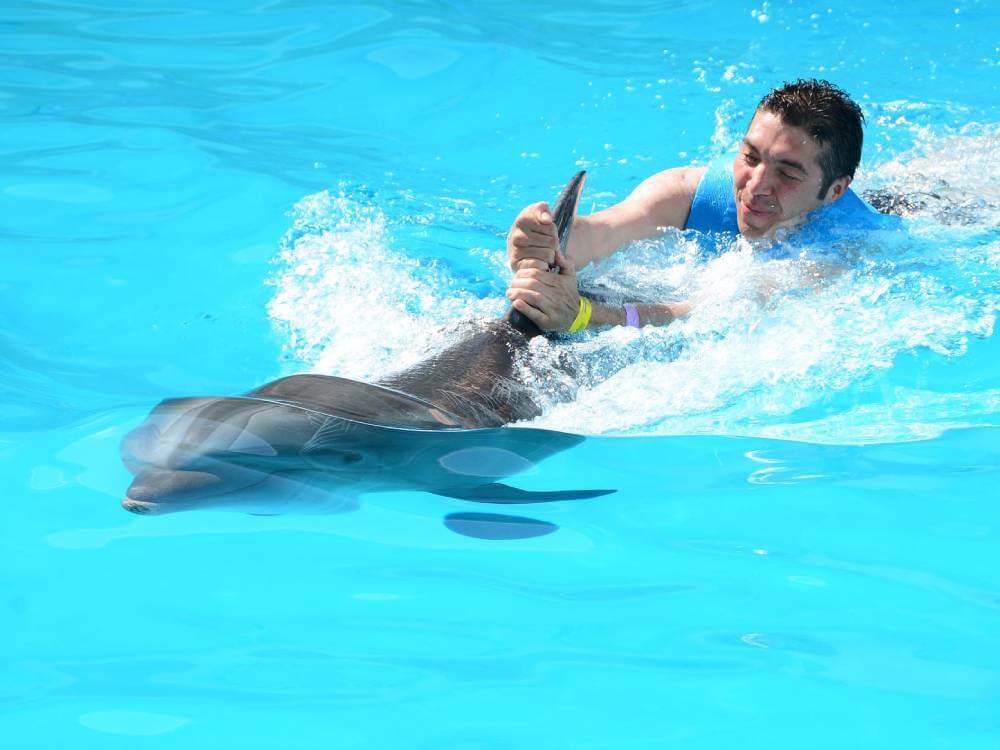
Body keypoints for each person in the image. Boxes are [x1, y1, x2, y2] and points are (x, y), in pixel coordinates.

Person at [505, 79, 891, 333]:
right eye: (750, 157)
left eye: (787, 173)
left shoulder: (833, 257)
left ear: (835, 190)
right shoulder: (685, 192)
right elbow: (603, 231)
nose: (755, 186)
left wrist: (584, 316)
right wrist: (539, 241)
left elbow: (700, 315)